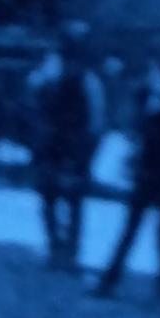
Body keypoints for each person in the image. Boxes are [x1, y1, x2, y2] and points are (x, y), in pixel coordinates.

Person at [89, 57, 160, 301]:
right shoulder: (148, 96)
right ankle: (113, 278)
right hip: (152, 169)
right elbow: (140, 127)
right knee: (135, 226)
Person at [27, 24, 105, 272]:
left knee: (64, 198)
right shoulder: (63, 74)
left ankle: (63, 251)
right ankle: (61, 250)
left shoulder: (80, 78)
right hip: (60, 143)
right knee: (60, 197)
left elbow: (95, 119)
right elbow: (96, 120)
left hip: (65, 144)